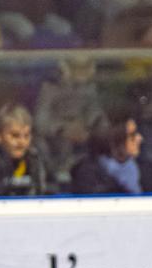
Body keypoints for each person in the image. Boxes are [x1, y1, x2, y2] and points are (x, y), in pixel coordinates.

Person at [34, 56, 109, 191]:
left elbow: (98, 116)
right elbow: (40, 122)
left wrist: (89, 128)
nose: (83, 72)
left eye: (86, 68)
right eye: (78, 68)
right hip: (56, 144)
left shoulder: (89, 89)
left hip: (82, 144)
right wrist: (63, 129)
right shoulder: (50, 88)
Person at [71, 113, 152, 194]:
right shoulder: (90, 171)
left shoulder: (146, 168)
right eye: (131, 139)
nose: (138, 140)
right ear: (115, 145)